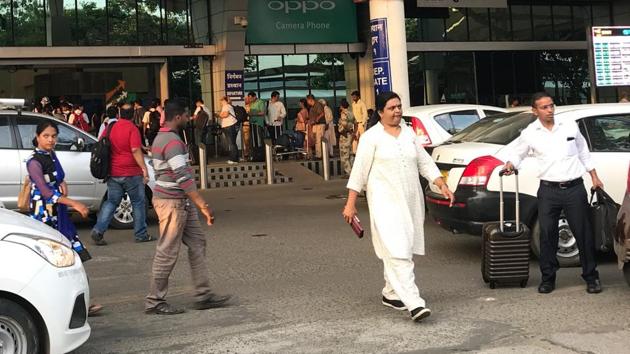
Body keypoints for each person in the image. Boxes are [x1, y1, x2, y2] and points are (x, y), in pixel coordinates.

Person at [342, 91, 454, 322]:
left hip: (410, 200)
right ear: (381, 112)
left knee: (399, 248)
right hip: (385, 203)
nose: (397, 111)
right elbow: (359, 172)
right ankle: (414, 303)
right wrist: (350, 204)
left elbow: (424, 161)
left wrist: (441, 184)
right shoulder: (371, 138)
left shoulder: (409, 133)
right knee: (398, 251)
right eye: (392, 107)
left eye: (399, 106)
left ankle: (391, 292)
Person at [503, 92, 603, 294]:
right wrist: (510, 164)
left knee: (583, 233)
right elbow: (517, 153)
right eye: (544, 107)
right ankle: (548, 278)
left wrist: (594, 176)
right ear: (535, 111)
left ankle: (591, 277)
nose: (549, 110)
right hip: (548, 191)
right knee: (547, 235)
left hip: (574, 188)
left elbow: (583, 151)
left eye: (551, 106)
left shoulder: (569, 126)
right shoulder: (530, 133)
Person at [145, 100, 231, 315]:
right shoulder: (172, 142)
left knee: (197, 243)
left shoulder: (162, 138)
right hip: (172, 202)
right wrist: (202, 204)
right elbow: (182, 176)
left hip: (179, 201)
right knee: (167, 251)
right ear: (177, 117)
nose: (189, 118)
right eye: (186, 115)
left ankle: (203, 294)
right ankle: (154, 301)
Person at [27, 120, 103, 316]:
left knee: (75, 256)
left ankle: (81, 304)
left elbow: (58, 178)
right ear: (37, 137)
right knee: (52, 261)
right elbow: (45, 192)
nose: (51, 140)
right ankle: (58, 307)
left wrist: (63, 183)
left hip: (58, 213)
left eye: (53, 136)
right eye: (46, 136)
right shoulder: (33, 162)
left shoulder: (52, 155)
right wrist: (74, 203)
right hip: (44, 216)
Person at [91, 103, 152, 245]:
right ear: (133, 115)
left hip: (113, 172)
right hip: (132, 172)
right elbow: (135, 149)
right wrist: (144, 168)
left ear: (118, 114)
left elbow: (101, 142)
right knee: (138, 203)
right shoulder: (132, 128)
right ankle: (141, 234)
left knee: (111, 202)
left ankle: (98, 231)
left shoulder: (110, 127)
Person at [218, 96, 239, 164]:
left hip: (229, 126)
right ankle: (235, 158)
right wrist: (221, 114)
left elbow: (225, 115)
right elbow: (223, 114)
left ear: (225, 101)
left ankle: (234, 159)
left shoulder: (226, 106)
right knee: (232, 142)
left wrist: (220, 115)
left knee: (231, 143)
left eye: (221, 101)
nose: (221, 103)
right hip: (230, 126)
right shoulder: (228, 106)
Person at [338, 99, 355, 178]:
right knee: (350, 154)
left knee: (344, 154)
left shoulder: (343, 113)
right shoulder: (351, 113)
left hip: (344, 135)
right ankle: (353, 171)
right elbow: (355, 123)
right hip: (350, 134)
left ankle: (348, 172)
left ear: (341, 106)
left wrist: (344, 131)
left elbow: (344, 124)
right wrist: (353, 132)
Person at [306, 94, 326, 159]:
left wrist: (316, 119)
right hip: (314, 125)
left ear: (310, 100)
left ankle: (319, 155)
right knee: (316, 140)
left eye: (307, 100)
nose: (307, 102)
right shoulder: (312, 107)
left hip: (319, 124)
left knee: (319, 139)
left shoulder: (318, 105)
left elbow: (322, 113)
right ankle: (318, 154)